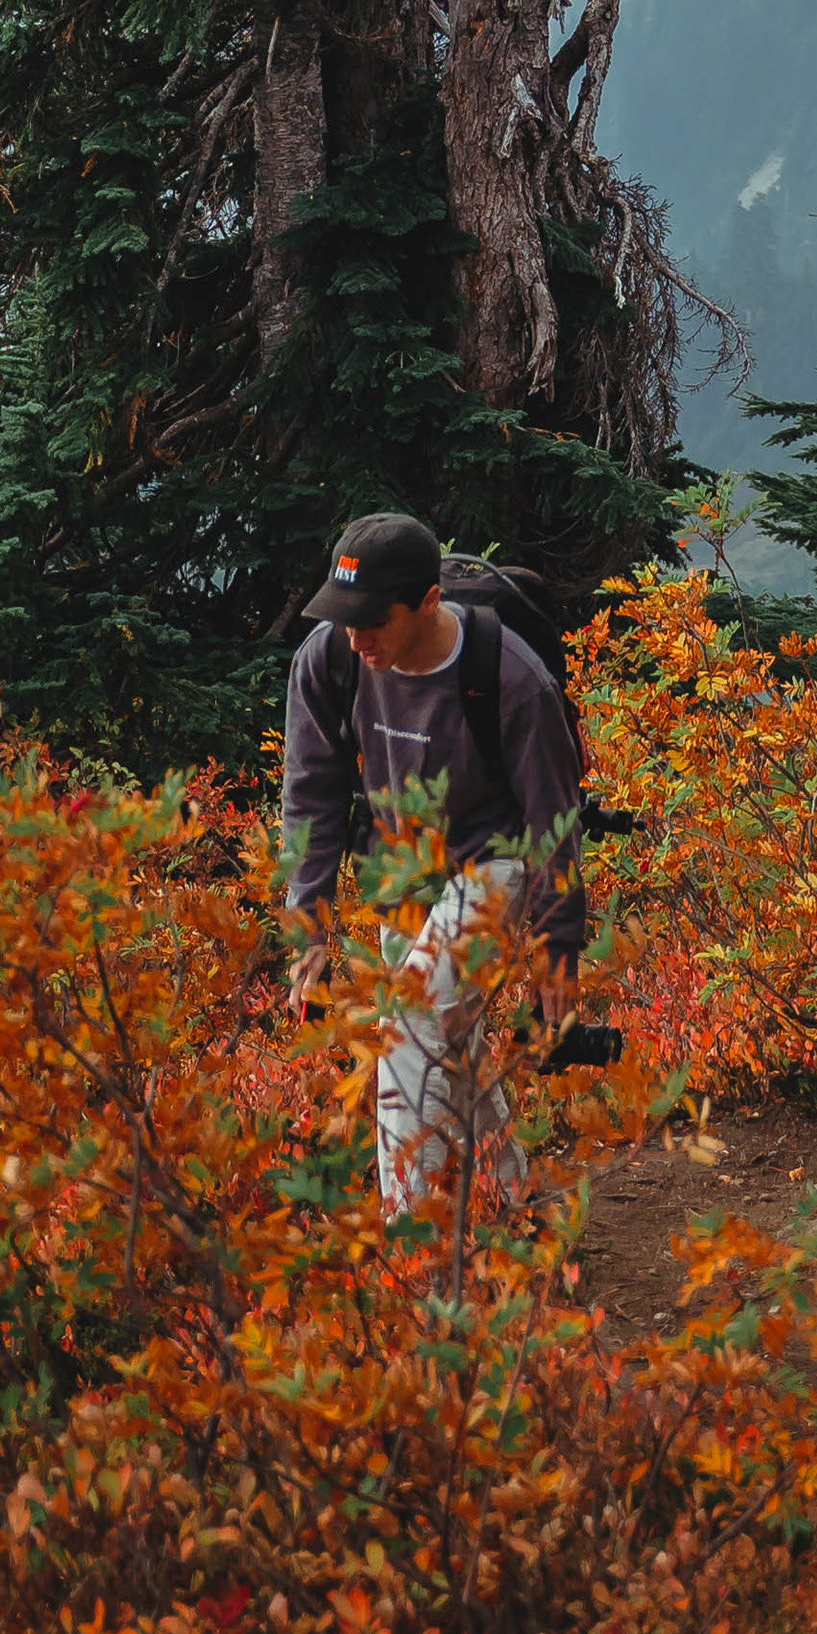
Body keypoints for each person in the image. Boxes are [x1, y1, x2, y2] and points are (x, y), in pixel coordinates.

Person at [281, 511, 589, 1222]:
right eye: (343, 618)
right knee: (451, 1053)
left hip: (500, 859)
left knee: (410, 1029)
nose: (356, 640)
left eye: (372, 621)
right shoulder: (331, 657)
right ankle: (519, 1215)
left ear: (427, 602)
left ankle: (411, 1258)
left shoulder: (512, 678)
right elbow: (312, 790)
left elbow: (554, 826)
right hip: (408, 872)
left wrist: (558, 952)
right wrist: (311, 924)